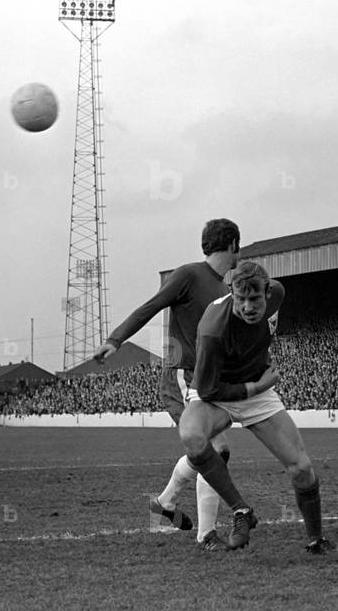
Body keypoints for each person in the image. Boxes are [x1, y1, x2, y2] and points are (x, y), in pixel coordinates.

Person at [94, 218, 240, 551]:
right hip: (181, 377)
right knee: (215, 450)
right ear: (232, 244)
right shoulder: (189, 275)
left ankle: (164, 504)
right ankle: (206, 535)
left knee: (219, 450)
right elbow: (151, 306)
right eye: (238, 247)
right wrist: (115, 340)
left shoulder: (224, 291)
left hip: (206, 381)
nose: (238, 254)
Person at [178, 261, 335, 554]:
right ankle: (241, 512)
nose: (248, 306)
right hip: (217, 392)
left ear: (267, 291)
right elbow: (208, 389)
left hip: (255, 390)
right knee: (191, 436)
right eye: (241, 299)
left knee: (301, 467)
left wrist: (256, 387)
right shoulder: (212, 329)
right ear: (231, 293)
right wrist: (259, 387)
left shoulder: (279, 292)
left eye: (255, 299)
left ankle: (316, 541)